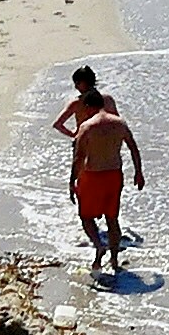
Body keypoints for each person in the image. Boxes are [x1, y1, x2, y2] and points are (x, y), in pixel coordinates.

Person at [55, 66, 146, 276]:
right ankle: (114, 262)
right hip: (114, 174)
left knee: (86, 216)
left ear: (88, 107)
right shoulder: (120, 123)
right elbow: (133, 147)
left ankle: (98, 245)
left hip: (91, 174)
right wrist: (138, 172)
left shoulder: (86, 127)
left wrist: (72, 182)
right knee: (112, 219)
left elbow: (78, 158)